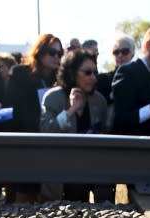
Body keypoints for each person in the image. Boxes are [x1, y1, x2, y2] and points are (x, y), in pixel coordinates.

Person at [40, 49, 110, 202]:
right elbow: (47, 132)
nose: (92, 77)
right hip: (61, 172)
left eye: (95, 72)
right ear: (72, 73)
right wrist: (71, 110)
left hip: (91, 168)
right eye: (87, 72)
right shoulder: (53, 98)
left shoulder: (99, 100)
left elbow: (104, 132)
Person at [4, 33, 63, 201]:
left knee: (47, 198)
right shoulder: (21, 73)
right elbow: (11, 109)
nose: (56, 57)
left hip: (49, 144)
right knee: (23, 195)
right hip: (25, 142)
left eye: (60, 53)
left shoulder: (58, 78)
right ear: (40, 51)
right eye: (52, 52)